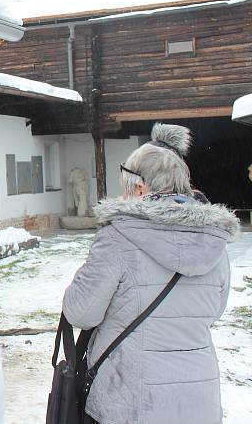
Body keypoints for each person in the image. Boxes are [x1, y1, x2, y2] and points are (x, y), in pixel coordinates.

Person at [63, 123, 237, 424]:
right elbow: (213, 311)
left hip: (130, 404)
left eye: (125, 186)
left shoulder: (117, 237)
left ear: (140, 189)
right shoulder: (213, 240)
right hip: (198, 404)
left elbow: (80, 312)